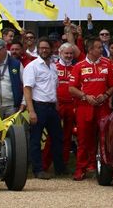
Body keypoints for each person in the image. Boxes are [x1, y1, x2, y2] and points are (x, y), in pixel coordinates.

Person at [69, 38, 113, 180]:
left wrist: (106, 95)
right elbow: (71, 88)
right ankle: (81, 168)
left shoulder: (107, 63)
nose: (101, 50)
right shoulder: (79, 66)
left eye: (101, 47)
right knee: (83, 139)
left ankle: (106, 168)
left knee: (105, 138)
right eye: (99, 47)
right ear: (90, 50)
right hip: (84, 107)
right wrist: (85, 96)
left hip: (103, 107)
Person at [23, 38, 66, 179]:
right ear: (38, 49)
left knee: (58, 138)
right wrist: (31, 111)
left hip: (52, 107)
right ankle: (37, 169)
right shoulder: (32, 66)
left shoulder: (53, 66)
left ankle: (59, 168)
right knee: (35, 140)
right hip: (38, 106)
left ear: (51, 49)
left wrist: (57, 104)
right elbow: (27, 89)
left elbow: (54, 87)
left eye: (46, 48)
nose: (44, 50)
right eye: (41, 48)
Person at [42, 42, 77, 172]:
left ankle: (62, 165)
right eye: (66, 53)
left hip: (71, 105)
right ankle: (45, 164)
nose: (68, 55)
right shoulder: (53, 67)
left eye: (71, 53)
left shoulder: (76, 68)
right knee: (52, 136)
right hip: (56, 105)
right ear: (60, 53)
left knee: (67, 136)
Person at [0, 38, 23, 118]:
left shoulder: (16, 64)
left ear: (5, 48)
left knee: (12, 130)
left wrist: (24, 103)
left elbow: (25, 85)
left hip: (12, 106)